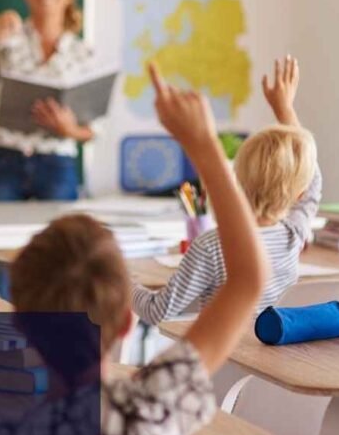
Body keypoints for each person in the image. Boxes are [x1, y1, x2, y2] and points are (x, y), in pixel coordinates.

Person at [0, 63, 269, 435]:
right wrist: (204, 147)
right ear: (128, 319)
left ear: (23, 325)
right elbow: (248, 280)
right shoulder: (157, 405)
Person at [132, 56, 321, 324]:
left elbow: (156, 311)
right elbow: (312, 183)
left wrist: (122, 282)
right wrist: (284, 108)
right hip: (270, 360)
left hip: (224, 361)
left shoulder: (212, 246)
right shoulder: (293, 236)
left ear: (237, 178)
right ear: (299, 193)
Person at [0, 0, 104, 201]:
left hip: (57, 162)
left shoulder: (84, 54)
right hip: (7, 159)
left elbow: (94, 129)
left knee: (61, 238)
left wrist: (70, 130)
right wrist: (4, 20)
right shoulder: (10, 34)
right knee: (0, 234)